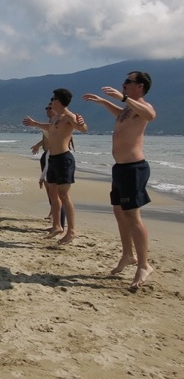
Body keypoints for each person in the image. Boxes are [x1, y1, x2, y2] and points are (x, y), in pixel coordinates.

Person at [83, 71, 156, 289]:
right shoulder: (127, 110)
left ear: (140, 86)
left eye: (128, 82)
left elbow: (151, 115)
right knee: (118, 210)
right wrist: (104, 101)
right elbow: (120, 115)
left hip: (134, 168)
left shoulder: (142, 106)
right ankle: (127, 255)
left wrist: (123, 98)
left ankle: (144, 264)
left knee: (133, 216)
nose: (123, 84)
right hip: (120, 168)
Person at [23, 88, 88, 244]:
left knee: (64, 195)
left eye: (53, 99)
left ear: (58, 101)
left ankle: (72, 231)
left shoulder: (69, 116)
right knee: (52, 192)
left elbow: (82, 129)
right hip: (52, 157)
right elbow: (49, 128)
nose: (51, 101)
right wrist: (35, 124)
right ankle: (57, 225)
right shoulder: (55, 117)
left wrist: (82, 123)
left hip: (64, 159)